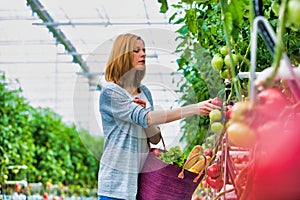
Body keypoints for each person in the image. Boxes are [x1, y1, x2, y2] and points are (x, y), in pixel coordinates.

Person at [97, 33, 221, 200]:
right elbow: (148, 118)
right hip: (116, 185)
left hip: (143, 184)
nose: (143, 54)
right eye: (136, 50)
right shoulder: (111, 92)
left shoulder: (144, 92)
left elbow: (154, 138)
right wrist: (194, 108)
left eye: (144, 50)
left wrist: (142, 118)